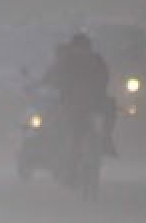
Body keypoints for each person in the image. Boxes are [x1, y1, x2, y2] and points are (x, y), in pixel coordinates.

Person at [43, 33, 118, 163]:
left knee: (110, 107)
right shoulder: (69, 60)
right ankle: (102, 140)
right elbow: (53, 77)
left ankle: (106, 138)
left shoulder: (92, 60)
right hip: (76, 101)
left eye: (84, 47)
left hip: (84, 101)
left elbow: (104, 77)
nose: (82, 50)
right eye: (80, 47)